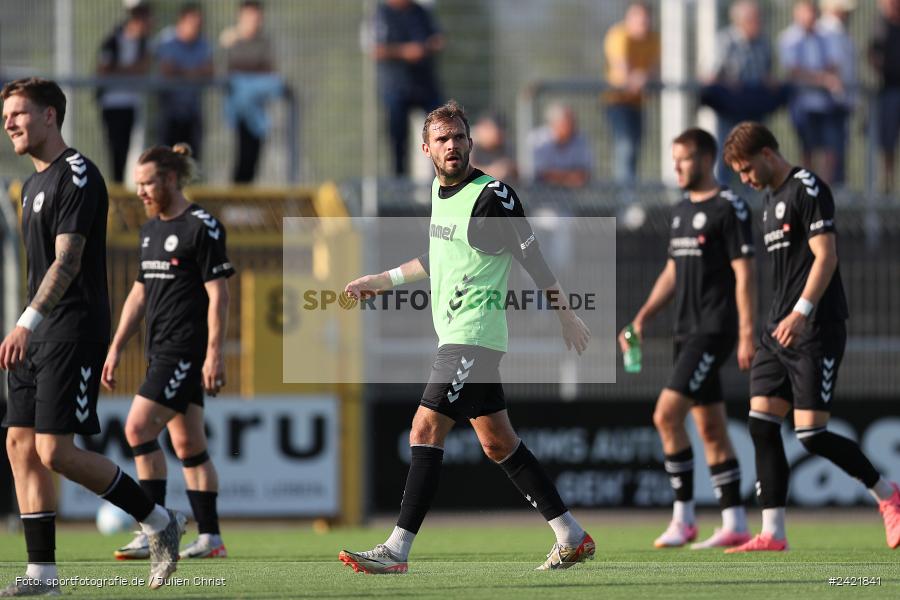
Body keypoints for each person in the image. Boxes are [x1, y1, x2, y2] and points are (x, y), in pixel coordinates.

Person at [338, 100, 593, 573]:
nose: (452, 145)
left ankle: (396, 550)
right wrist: (380, 280)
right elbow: (440, 259)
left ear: (471, 142)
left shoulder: (494, 195)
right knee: (498, 442)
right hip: (455, 335)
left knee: (423, 428)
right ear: (427, 148)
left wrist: (565, 316)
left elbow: (533, 261)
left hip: (473, 336)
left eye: (458, 137)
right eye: (442, 139)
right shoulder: (438, 191)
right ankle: (570, 534)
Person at [0, 77, 184, 595]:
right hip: (38, 329)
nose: (9, 123)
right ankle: (43, 575)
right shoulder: (30, 185)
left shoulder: (76, 175)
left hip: (70, 327)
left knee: (54, 451)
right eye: (6, 115)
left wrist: (25, 322)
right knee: (19, 444)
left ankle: (157, 520)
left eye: (18, 113)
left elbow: (68, 261)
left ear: (50, 116)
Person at [722, 121, 900, 552]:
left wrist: (803, 312)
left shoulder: (808, 188)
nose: (744, 179)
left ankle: (888, 495)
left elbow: (827, 256)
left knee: (811, 435)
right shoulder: (768, 201)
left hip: (815, 328)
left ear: (767, 154)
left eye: (746, 169)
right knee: (761, 425)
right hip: (776, 331)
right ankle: (773, 533)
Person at [619, 128, 755, 549]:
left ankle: (684, 518)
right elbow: (674, 271)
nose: (675, 166)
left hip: (713, 330)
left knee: (665, 416)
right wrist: (642, 317)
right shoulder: (679, 211)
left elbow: (744, 273)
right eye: (673, 158)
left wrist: (748, 331)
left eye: (683, 159)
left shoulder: (729, 208)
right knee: (711, 426)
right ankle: (734, 521)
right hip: (685, 331)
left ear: (705, 159)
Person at [101, 143, 234, 561]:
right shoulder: (150, 229)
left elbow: (220, 295)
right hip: (160, 351)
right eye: (137, 184)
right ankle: (210, 537)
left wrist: (214, 353)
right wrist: (116, 346)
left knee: (137, 429)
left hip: (185, 351)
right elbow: (138, 295)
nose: (140, 191)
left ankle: (153, 526)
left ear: (171, 179)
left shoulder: (202, 226)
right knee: (189, 444)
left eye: (147, 182)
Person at [701, 1, 781, 181]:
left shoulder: (763, 42)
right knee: (729, 152)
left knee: (755, 154)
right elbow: (708, 77)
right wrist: (729, 82)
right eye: (754, 19)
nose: (759, 23)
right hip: (730, 109)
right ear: (741, 21)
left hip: (754, 109)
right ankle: (724, 198)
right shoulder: (724, 41)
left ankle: (754, 199)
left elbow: (766, 73)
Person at [372, 0, 444, 177]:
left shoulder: (421, 12)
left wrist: (427, 47)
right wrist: (405, 52)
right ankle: (399, 180)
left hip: (425, 87)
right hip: (395, 87)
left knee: (441, 126)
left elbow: (438, 39)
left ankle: (441, 177)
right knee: (398, 137)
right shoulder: (380, 14)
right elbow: (376, 49)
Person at [778, 1, 843, 183]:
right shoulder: (789, 38)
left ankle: (825, 188)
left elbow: (834, 65)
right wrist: (822, 79)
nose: (810, 17)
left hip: (826, 103)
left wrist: (825, 78)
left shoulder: (826, 36)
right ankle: (808, 189)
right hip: (803, 105)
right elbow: (793, 71)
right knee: (808, 149)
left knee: (830, 149)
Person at [220, 0, 280, 183]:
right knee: (240, 155)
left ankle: (244, 200)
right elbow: (229, 69)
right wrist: (253, 69)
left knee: (253, 155)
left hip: (256, 108)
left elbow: (269, 70)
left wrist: (247, 70)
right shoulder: (230, 39)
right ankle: (234, 200)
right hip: (237, 107)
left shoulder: (264, 41)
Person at [603, 1, 660, 186]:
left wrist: (643, 77)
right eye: (638, 18)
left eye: (645, 19)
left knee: (634, 150)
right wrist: (636, 78)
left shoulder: (654, 39)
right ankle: (625, 197)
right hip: (617, 102)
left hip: (638, 103)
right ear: (629, 18)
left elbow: (655, 68)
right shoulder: (618, 35)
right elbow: (621, 67)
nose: (643, 23)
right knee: (625, 147)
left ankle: (630, 192)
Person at [95, 2, 153, 184]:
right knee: (116, 151)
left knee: (130, 150)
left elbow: (143, 68)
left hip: (132, 104)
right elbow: (103, 70)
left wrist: (119, 71)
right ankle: (116, 188)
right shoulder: (112, 40)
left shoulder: (144, 44)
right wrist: (130, 71)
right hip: (112, 105)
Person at [155, 3, 213, 160]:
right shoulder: (167, 40)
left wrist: (181, 71)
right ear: (182, 20)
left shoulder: (203, 43)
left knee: (191, 159)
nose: (197, 27)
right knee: (167, 159)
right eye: (193, 22)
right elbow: (167, 70)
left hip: (192, 111)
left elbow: (209, 71)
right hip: (169, 111)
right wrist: (194, 72)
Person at [818, 0, 858, 187]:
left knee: (838, 146)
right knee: (830, 148)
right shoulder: (828, 30)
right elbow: (831, 63)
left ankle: (837, 185)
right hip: (831, 99)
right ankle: (830, 188)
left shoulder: (839, 30)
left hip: (840, 100)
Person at [869, 0, 900, 193]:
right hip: (889, 90)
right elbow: (872, 54)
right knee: (887, 143)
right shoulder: (880, 26)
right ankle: (886, 186)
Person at [527, 103, 593, 188]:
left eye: (573, 121)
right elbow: (538, 173)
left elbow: (584, 175)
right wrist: (568, 177)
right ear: (554, 123)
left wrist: (557, 176)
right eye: (567, 122)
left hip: (571, 195)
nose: (573, 125)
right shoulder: (537, 139)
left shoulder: (581, 140)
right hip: (538, 191)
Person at [470, 111, 516, 181]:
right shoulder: (466, 142)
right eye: (497, 133)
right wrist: (492, 171)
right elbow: (465, 172)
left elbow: (514, 173)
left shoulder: (505, 145)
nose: (500, 138)